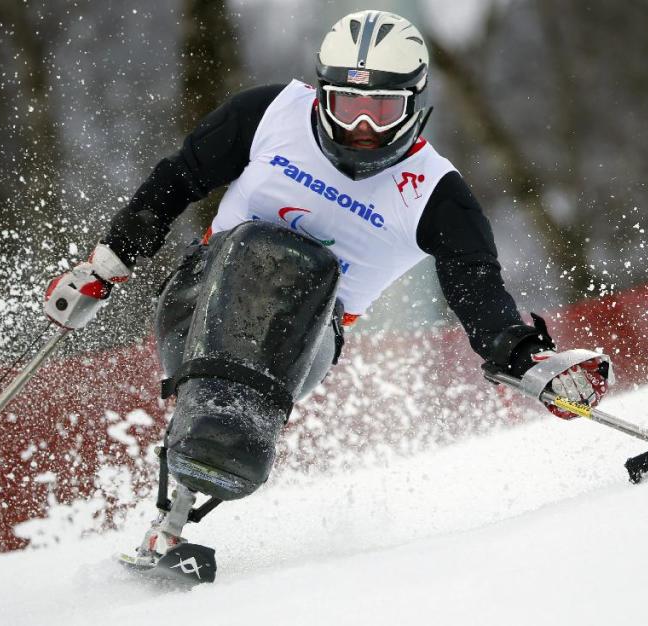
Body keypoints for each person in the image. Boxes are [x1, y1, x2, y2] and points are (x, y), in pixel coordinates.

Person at [44, 10, 612, 580]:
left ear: (414, 103)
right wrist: (105, 264)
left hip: (303, 341)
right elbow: (175, 180)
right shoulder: (268, 114)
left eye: (383, 110)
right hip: (202, 298)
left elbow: (479, 291)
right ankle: (198, 466)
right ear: (322, 94)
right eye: (347, 105)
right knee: (265, 249)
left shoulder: (438, 195)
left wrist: (524, 356)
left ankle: (212, 466)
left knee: (306, 267)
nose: (363, 125)